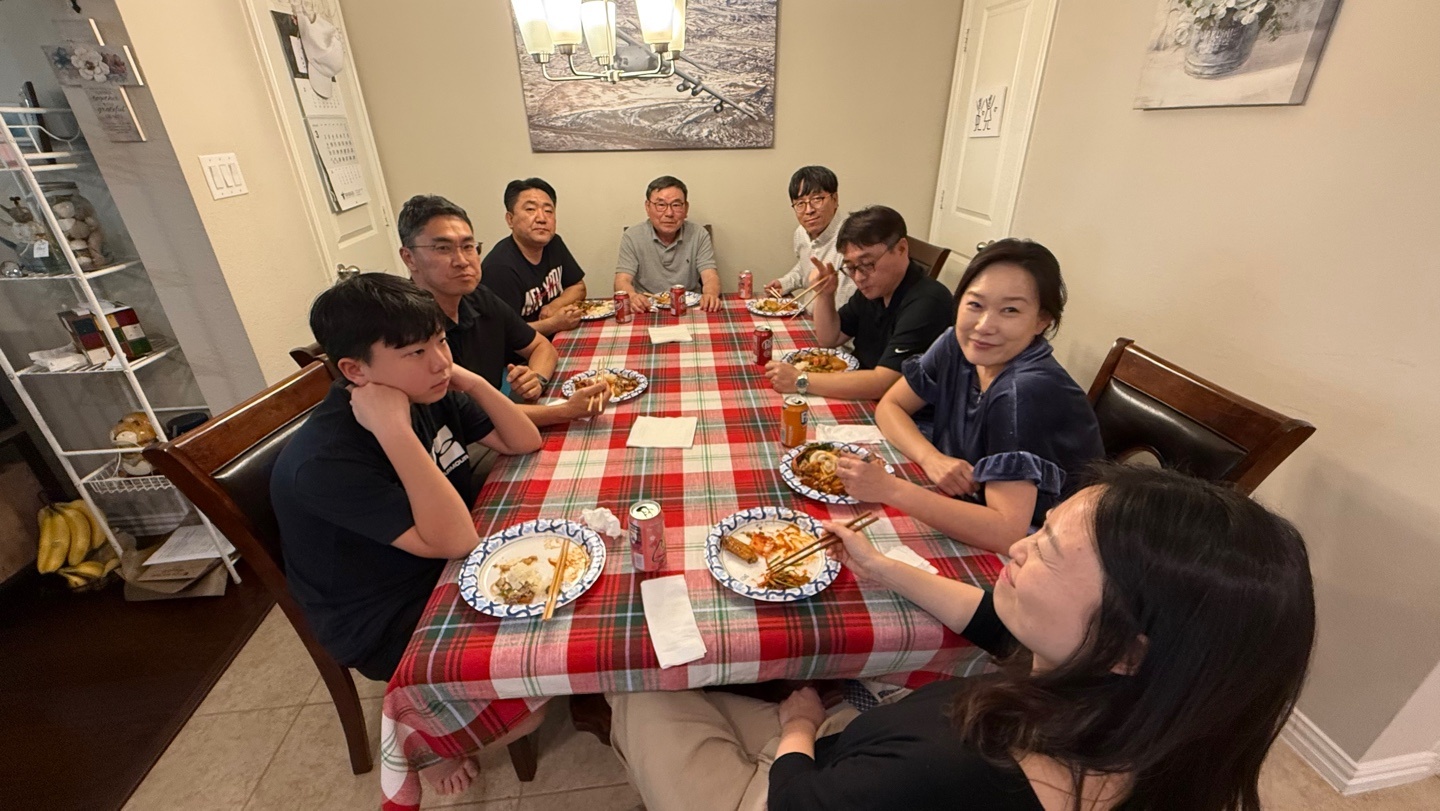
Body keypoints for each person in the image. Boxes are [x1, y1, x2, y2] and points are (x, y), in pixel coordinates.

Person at [608, 465, 1318, 811]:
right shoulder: (1138, 722)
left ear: (1127, 649)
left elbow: (796, 805)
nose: (1016, 546)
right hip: (860, 745)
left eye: (1046, 549)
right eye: (1042, 527)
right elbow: (996, 625)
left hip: (794, 786)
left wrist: (797, 730)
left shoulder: (951, 769)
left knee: (633, 679)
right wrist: (881, 566)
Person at [271, 274, 544, 793]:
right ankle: (422, 738)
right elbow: (457, 542)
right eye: (417, 351)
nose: (439, 362)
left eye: (441, 341)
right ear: (355, 371)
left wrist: (473, 382)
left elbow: (523, 440)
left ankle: (442, 714)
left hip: (433, 564)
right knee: (532, 707)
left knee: (555, 610)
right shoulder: (326, 460)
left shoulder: (425, 388)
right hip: (382, 615)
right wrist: (393, 430)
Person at [837, 239, 1103, 554]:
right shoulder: (957, 344)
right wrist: (932, 458)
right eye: (975, 304)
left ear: (1041, 320)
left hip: (1057, 550)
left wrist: (890, 489)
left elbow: (1005, 532)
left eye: (1010, 310)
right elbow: (891, 406)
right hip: (973, 508)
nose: (984, 325)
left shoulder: (1025, 391)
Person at [399, 194, 607, 428]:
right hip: (458, 438)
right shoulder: (407, 329)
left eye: (468, 247)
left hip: (498, 416)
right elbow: (474, 415)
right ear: (409, 258)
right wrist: (566, 411)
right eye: (443, 248)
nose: (462, 260)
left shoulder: (478, 297)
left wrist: (536, 379)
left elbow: (541, 346)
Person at [764, 206, 954, 401]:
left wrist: (800, 380)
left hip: (897, 407)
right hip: (861, 390)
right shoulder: (875, 289)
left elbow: (883, 383)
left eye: (867, 264)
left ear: (901, 249)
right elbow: (830, 338)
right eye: (851, 267)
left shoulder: (928, 302)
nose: (859, 277)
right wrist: (825, 294)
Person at [480, 177, 587, 337]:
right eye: (530, 209)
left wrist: (554, 306)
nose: (542, 218)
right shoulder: (499, 268)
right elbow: (501, 333)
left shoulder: (553, 243)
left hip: (555, 337)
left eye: (548, 211)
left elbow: (578, 287)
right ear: (510, 219)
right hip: (522, 351)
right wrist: (553, 324)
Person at [615, 175, 722, 313]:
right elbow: (622, 280)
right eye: (661, 205)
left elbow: (710, 276)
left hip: (690, 307)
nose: (669, 213)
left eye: (676, 205)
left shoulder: (699, 234)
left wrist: (710, 295)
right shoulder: (632, 236)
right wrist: (633, 296)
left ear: (686, 208)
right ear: (647, 207)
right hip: (647, 308)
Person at [763, 165, 855, 309]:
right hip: (806, 314)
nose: (809, 210)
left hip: (837, 320)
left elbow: (846, 304)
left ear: (835, 199)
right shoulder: (801, 233)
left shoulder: (852, 238)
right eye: (800, 203)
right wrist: (785, 283)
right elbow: (805, 267)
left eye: (817, 199)